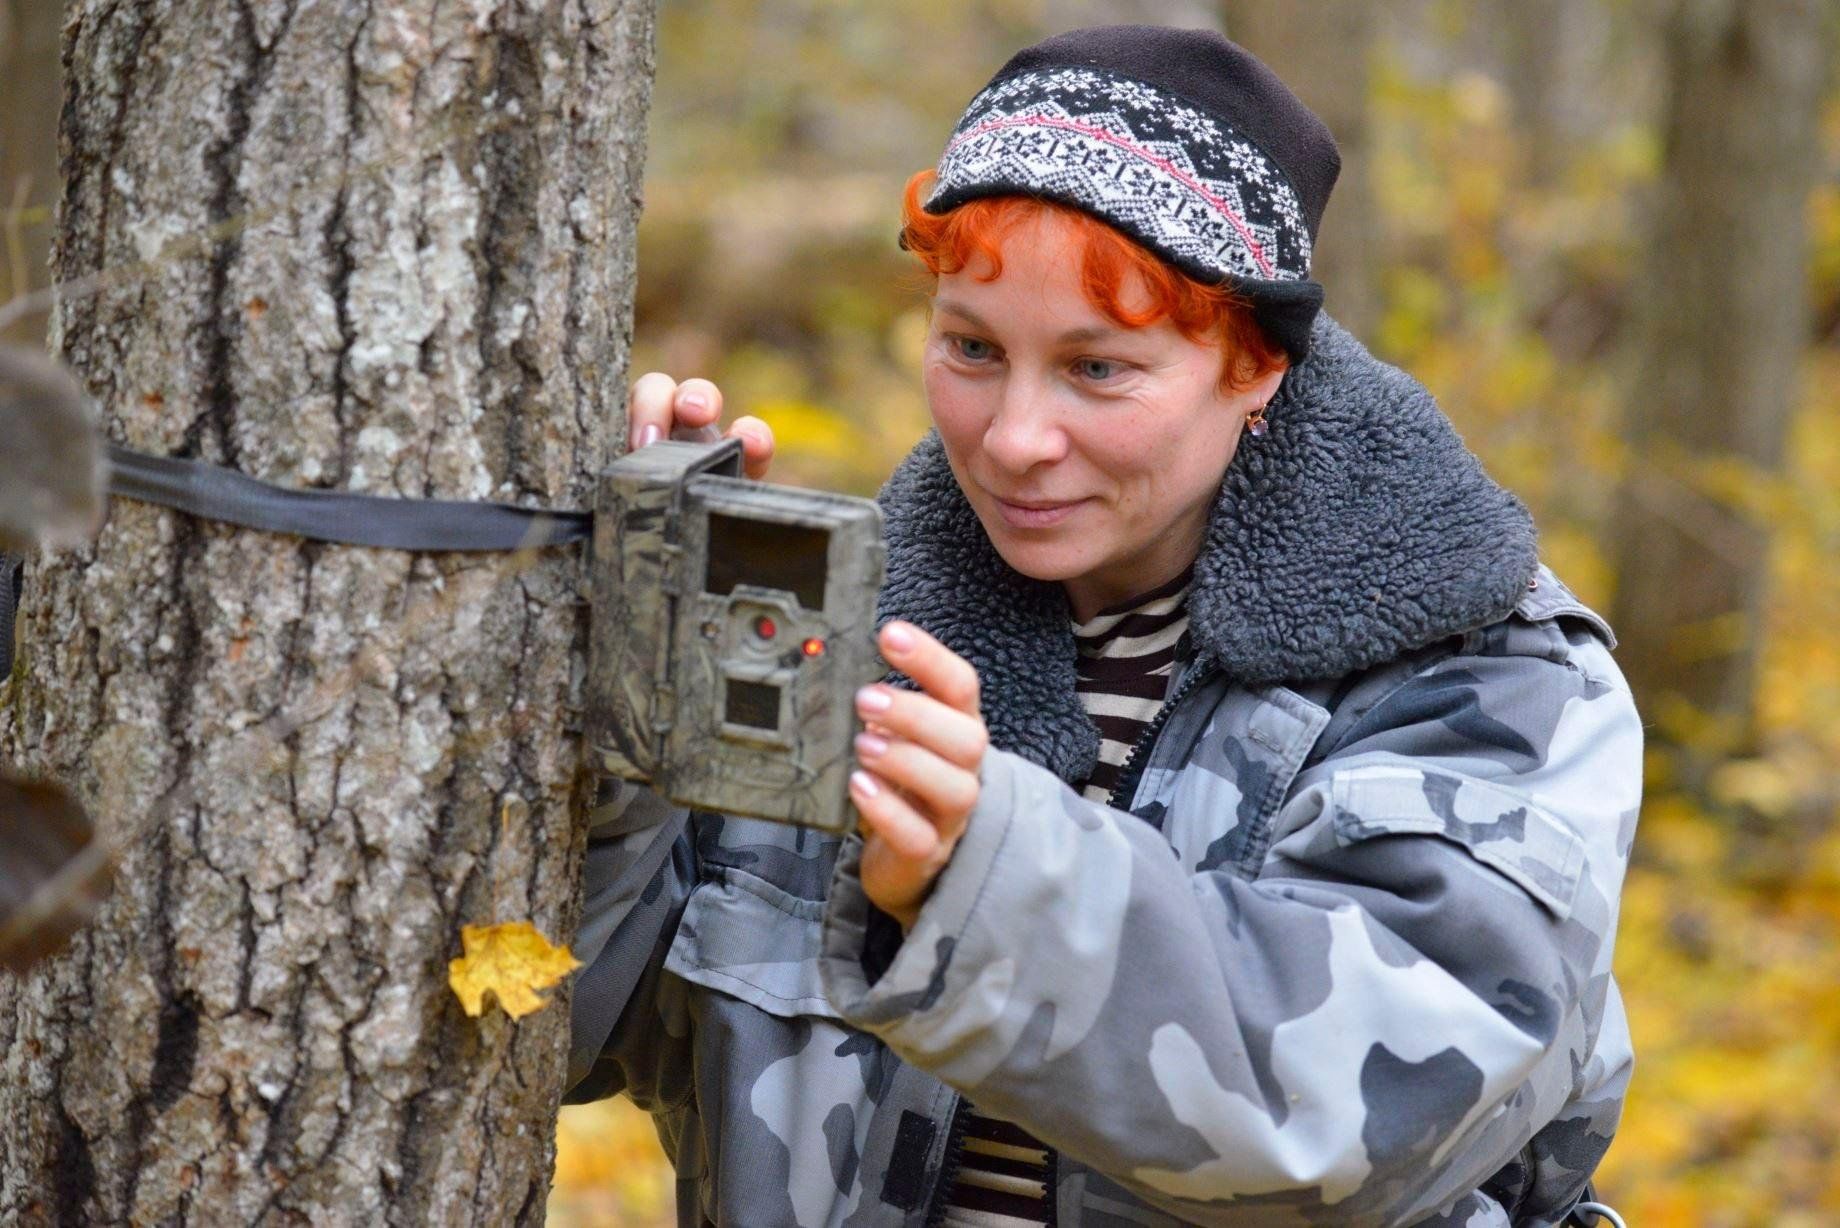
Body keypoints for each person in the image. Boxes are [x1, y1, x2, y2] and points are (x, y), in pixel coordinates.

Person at [565, 25, 1640, 1228]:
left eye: (1098, 369)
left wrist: (985, 878)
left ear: (1253, 366)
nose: (1015, 437)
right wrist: (626, 686)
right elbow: (565, 1030)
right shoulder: (845, 638)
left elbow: (1355, 1123)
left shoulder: (1486, 673)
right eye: (972, 347)